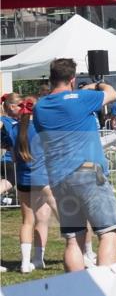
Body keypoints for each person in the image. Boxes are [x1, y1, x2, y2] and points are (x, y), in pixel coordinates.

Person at [32, 58, 116, 272]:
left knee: (74, 239)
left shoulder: (40, 106)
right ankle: (106, 286)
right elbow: (112, 93)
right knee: (108, 233)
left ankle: (76, 290)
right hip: (89, 172)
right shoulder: (81, 98)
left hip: (59, 178)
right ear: (72, 79)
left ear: (52, 78)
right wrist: (96, 85)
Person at [12, 97, 58, 273]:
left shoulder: (15, 129)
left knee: (28, 221)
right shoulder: (41, 129)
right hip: (43, 179)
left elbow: (14, 156)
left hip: (24, 180)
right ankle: (83, 247)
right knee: (62, 215)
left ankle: (27, 262)